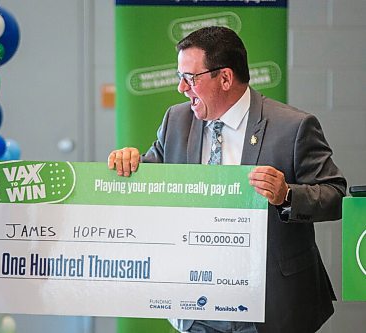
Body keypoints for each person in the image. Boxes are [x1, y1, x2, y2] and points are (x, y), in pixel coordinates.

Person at [108, 26, 346, 333]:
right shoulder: (175, 121)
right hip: (196, 309)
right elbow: (153, 178)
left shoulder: (293, 126)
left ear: (225, 78)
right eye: (180, 77)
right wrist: (130, 164)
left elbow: (334, 195)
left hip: (271, 308)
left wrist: (287, 195)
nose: (182, 88)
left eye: (190, 78)